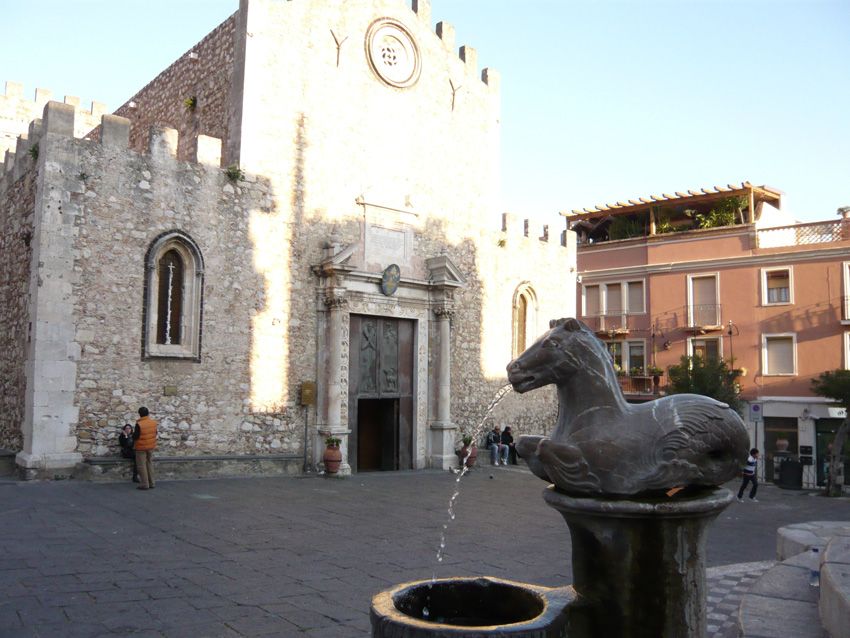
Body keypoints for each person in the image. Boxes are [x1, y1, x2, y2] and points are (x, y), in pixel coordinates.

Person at [133, 407, 158, 491]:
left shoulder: (139, 424)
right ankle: (152, 483)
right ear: (148, 413)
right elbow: (155, 433)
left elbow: (136, 436)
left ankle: (144, 484)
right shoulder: (153, 423)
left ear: (139, 414)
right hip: (151, 446)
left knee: (141, 465)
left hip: (141, 447)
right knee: (149, 464)